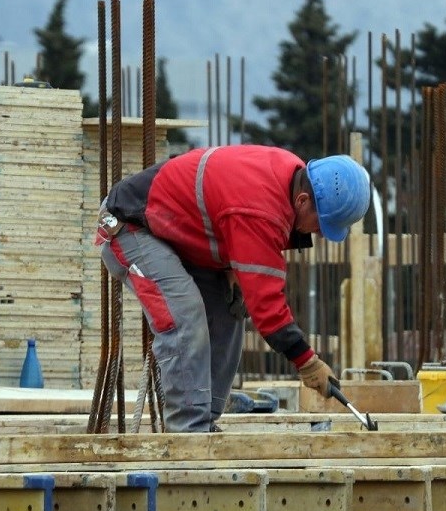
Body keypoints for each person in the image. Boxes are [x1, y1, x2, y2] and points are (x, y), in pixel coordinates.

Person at [95, 145, 371, 432]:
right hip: (131, 227)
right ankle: (188, 435)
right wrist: (307, 362)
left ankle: (205, 420)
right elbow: (269, 312)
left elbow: (222, 210)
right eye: (321, 225)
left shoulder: (294, 174)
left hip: (176, 231)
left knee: (232, 306)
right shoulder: (261, 210)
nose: (319, 233)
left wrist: (230, 269)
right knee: (184, 316)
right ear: (302, 201)